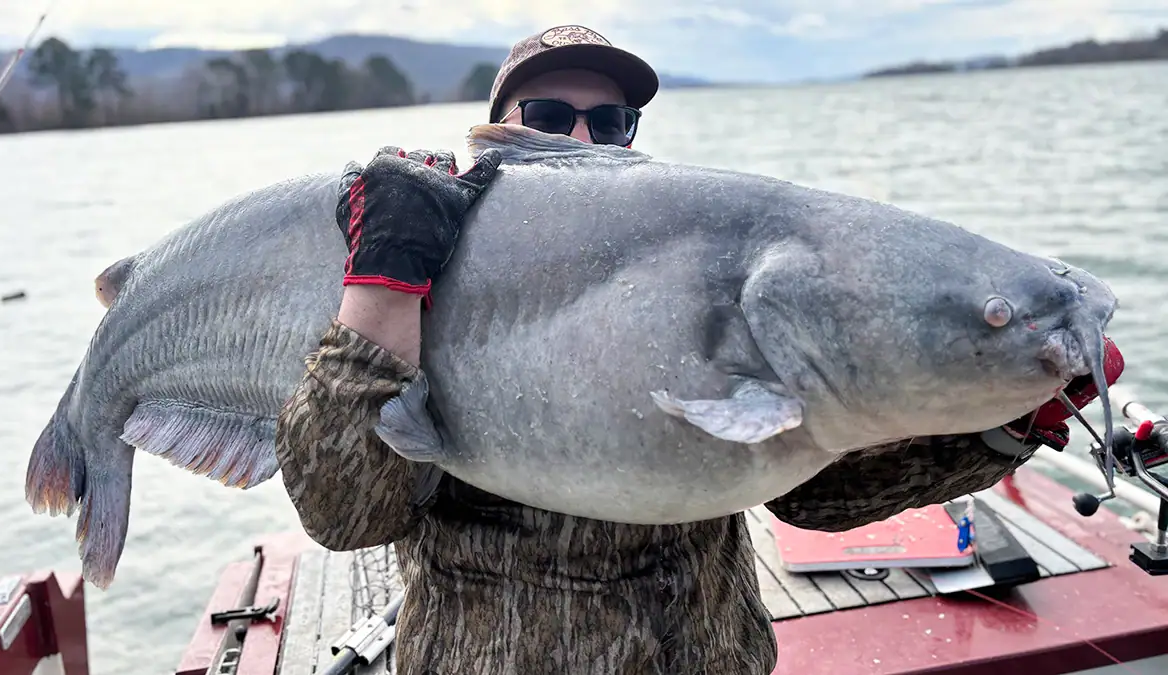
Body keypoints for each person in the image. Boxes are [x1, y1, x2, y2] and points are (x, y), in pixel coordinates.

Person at [274, 24, 1126, 675]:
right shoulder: (411, 253)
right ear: (495, 129)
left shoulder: (687, 265)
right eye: (545, 116)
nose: (580, 138)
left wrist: (1003, 430)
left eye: (609, 119)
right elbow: (346, 515)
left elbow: (814, 493)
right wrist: (380, 296)